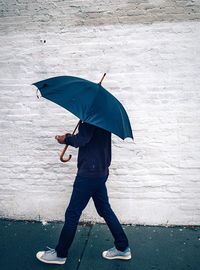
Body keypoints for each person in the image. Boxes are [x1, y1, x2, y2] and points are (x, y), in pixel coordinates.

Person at [36, 121, 131, 264]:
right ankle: (123, 248)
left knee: (72, 213)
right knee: (105, 209)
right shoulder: (103, 120)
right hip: (100, 172)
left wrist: (65, 139)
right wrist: (71, 136)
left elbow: (83, 140)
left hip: (88, 175)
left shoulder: (89, 120)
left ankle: (60, 254)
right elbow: (91, 138)